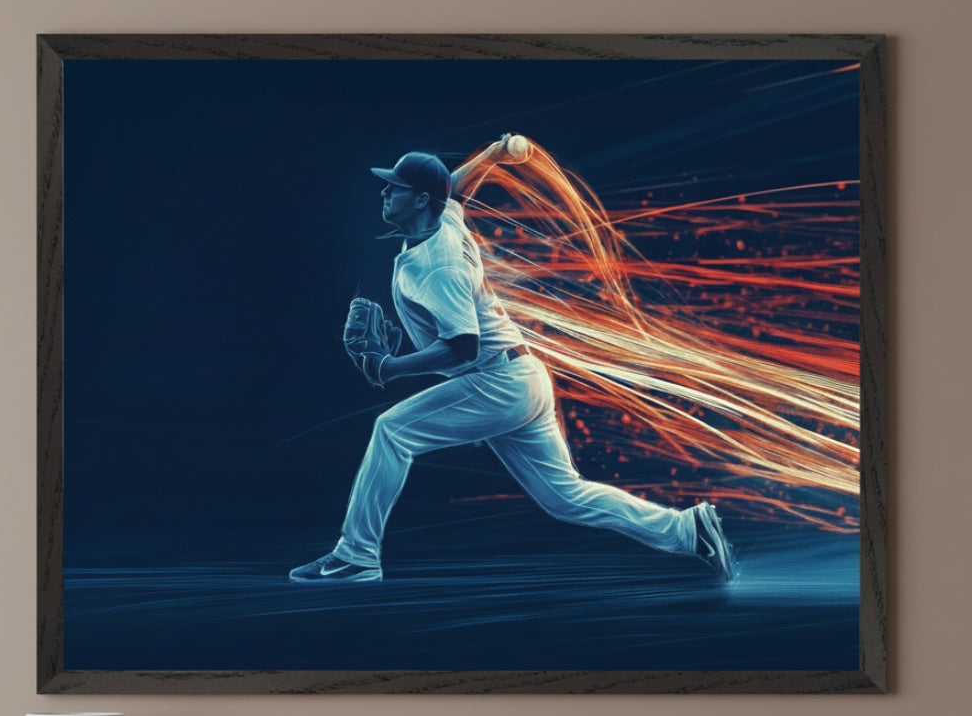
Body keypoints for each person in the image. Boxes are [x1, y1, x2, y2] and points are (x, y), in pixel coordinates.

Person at [290, 138, 736, 584]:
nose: (385, 193)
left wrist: (391, 368)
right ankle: (686, 529)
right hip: (520, 378)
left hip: (495, 384)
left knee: (392, 431)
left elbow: (462, 346)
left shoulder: (438, 266)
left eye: (395, 187)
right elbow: (455, 190)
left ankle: (356, 556)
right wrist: (493, 155)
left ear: (420, 199)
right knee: (566, 498)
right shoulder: (442, 217)